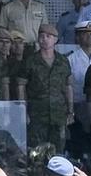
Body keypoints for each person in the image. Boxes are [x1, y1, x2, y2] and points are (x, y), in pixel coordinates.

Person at [20, 24, 74, 156]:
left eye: (48, 36)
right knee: (36, 152)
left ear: (55, 40)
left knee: (58, 152)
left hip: (58, 114)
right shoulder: (30, 61)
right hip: (37, 114)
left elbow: (68, 86)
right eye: (41, 36)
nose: (44, 39)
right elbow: (21, 86)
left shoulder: (63, 61)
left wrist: (70, 110)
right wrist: (22, 110)